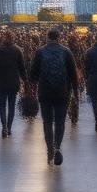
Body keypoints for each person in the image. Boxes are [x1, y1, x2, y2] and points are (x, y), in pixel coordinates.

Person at [30, 28, 78, 166]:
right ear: (59, 37)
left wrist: (32, 88)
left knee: (47, 122)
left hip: (45, 92)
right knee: (60, 121)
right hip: (62, 92)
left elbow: (33, 74)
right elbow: (73, 74)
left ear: (47, 37)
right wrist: (75, 91)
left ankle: (49, 149)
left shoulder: (40, 51)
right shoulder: (66, 51)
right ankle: (57, 147)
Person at [0, 30, 25, 137]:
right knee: (11, 105)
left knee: (2, 105)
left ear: (4, 38)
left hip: (1, 81)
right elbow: (22, 68)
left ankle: (3, 126)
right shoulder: (18, 50)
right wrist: (25, 81)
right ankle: (9, 127)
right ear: (13, 38)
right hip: (13, 82)